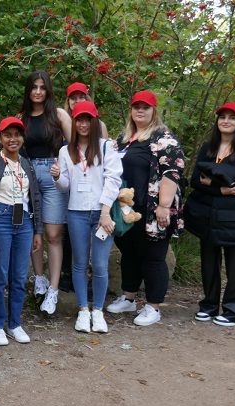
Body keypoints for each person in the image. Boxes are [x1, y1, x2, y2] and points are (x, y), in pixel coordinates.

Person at [106, 91, 186, 326]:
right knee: (130, 252)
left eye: (146, 107)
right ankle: (129, 297)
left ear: (154, 111)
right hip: (126, 208)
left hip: (152, 208)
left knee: (153, 257)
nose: (140, 110)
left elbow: (172, 173)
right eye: (136, 107)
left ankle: (153, 306)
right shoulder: (124, 138)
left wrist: (164, 206)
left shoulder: (164, 139)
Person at [50, 102, 122, 333]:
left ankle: (98, 311)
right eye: (78, 119)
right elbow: (65, 187)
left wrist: (104, 212)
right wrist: (57, 177)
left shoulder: (107, 147)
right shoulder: (64, 151)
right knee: (79, 264)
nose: (82, 124)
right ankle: (83, 310)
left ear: (94, 122)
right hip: (76, 212)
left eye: (87, 119)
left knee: (100, 264)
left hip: (102, 214)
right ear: (73, 122)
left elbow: (113, 180)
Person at [184, 102, 235, 326]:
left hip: (234, 217)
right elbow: (195, 181)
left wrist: (213, 181)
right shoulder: (208, 146)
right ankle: (209, 305)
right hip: (208, 213)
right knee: (209, 260)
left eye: (232, 118)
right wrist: (221, 188)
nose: (226, 121)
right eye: (222, 117)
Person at [0, 117, 43, 346]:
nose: (12, 139)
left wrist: (38, 231)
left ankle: (15, 324)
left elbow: (35, 197)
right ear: (1, 138)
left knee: (19, 276)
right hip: (0, 220)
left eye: (17, 135)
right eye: (7, 135)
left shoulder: (27, 165)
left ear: (23, 138)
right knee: (0, 276)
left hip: (24, 221)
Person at [18, 71, 72, 315]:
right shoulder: (22, 118)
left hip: (52, 174)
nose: (38, 92)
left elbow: (74, 148)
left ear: (48, 90)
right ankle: (38, 278)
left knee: (52, 234)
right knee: (31, 231)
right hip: (27, 175)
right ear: (28, 90)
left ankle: (53, 289)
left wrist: (65, 169)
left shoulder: (59, 115)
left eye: (42, 87)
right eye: (34, 87)